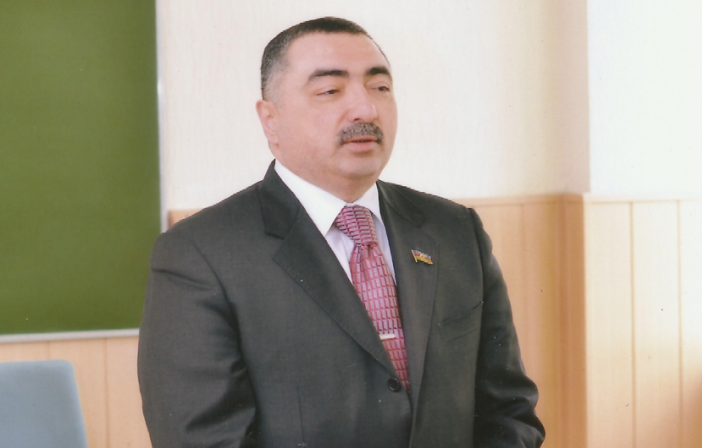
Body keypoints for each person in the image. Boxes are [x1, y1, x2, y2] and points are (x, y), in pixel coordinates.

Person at [138, 17, 545, 448]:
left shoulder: (455, 230)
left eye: (380, 87)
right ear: (270, 120)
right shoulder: (200, 254)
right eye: (330, 91)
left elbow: (509, 412)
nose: (365, 110)